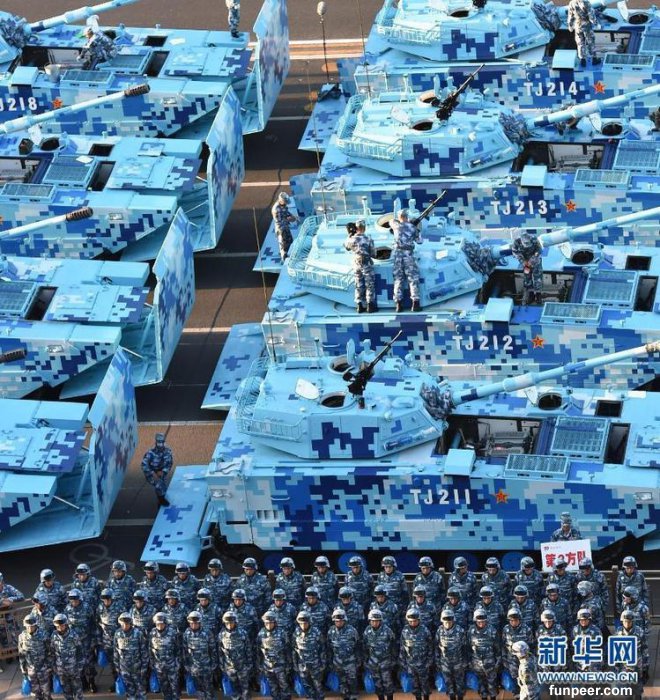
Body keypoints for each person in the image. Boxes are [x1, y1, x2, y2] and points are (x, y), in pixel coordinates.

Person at [390, 209, 422, 312]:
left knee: (398, 279)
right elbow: (420, 241)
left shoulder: (396, 226)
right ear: (407, 216)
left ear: (399, 217)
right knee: (412, 279)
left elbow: (391, 221)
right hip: (408, 255)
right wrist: (416, 227)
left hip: (398, 255)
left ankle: (398, 305)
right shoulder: (413, 228)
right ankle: (415, 304)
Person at [64, 589, 96, 693]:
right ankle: (83, 681)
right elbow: (65, 626)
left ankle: (91, 681)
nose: (74, 601)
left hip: (86, 640)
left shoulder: (87, 608)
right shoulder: (67, 609)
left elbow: (93, 623)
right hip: (74, 641)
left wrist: (94, 639)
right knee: (78, 661)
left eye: (75, 599)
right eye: (71, 599)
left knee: (89, 662)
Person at [218, 610, 253, 700]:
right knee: (234, 689)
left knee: (245, 688)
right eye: (227, 623)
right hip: (229, 667)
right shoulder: (221, 635)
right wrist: (222, 665)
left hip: (242, 666)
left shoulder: (243, 633)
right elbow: (220, 652)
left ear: (235, 622)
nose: (230, 625)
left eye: (232, 623)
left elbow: (248, 649)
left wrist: (249, 664)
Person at [344, 219, 378, 313]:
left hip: (356, 264)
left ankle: (359, 306)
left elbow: (346, 247)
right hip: (366, 263)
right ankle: (370, 306)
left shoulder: (351, 239)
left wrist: (349, 235)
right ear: (364, 228)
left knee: (358, 284)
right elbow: (374, 254)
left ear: (356, 227)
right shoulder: (368, 239)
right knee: (369, 285)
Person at [363, 609, 396, 700]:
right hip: (373, 663)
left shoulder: (387, 631)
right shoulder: (367, 631)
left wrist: (393, 660)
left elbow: (394, 646)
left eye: (377, 621)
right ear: (370, 621)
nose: (375, 623)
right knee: (377, 685)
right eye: (373, 621)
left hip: (386, 662)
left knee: (388, 684)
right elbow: (364, 647)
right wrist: (366, 661)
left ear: (380, 621)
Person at [399, 609, 432, 700]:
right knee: (415, 687)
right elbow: (402, 648)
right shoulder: (405, 631)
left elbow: (430, 647)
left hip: (423, 664)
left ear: (419, 620)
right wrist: (403, 663)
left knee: (425, 686)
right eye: (411, 621)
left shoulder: (425, 630)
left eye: (415, 621)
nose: (413, 623)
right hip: (411, 665)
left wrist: (428, 662)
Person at [114, 612, 148, 700]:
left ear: (130, 623)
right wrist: (117, 667)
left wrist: (144, 667)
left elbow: (144, 651)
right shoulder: (117, 634)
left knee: (141, 690)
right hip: (124, 668)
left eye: (127, 623)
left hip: (137, 668)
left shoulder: (138, 633)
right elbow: (116, 651)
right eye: (123, 623)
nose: (125, 625)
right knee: (130, 690)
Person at [327, 608, 360, 700]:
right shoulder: (331, 631)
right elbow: (329, 648)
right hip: (337, 663)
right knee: (342, 684)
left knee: (352, 682)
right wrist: (330, 662)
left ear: (344, 620)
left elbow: (358, 646)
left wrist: (358, 660)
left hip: (350, 662)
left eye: (341, 621)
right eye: (337, 621)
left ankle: (354, 697)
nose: (339, 622)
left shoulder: (352, 631)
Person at [293, 611, 326, 700]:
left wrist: (323, 663)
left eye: (305, 623)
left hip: (315, 665)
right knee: (307, 685)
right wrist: (295, 664)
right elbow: (294, 650)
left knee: (318, 685)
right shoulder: (296, 632)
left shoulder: (316, 632)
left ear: (309, 622)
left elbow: (322, 649)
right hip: (302, 665)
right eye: (301, 623)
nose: (303, 625)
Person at [434, 608, 467, 700]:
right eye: (445, 621)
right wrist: (437, 661)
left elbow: (465, 647)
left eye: (450, 620)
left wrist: (465, 662)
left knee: (459, 684)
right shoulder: (439, 631)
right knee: (449, 684)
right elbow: (436, 647)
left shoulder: (460, 630)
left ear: (453, 620)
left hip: (458, 663)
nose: (448, 623)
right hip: (445, 663)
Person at [468, 608, 500, 700]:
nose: (481, 623)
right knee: (482, 687)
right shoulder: (471, 631)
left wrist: (498, 663)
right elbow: (468, 647)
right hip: (477, 664)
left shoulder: (492, 630)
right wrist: (470, 662)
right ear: (475, 621)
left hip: (490, 664)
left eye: (483, 621)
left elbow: (497, 648)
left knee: (492, 686)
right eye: (479, 622)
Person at [258, 611, 291, 700]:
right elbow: (258, 650)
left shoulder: (282, 633)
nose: (269, 625)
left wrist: (288, 665)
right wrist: (260, 665)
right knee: (273, 686)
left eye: (271, 623)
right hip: (267, 666)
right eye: (267, 623)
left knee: (284, 685)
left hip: (281, 666)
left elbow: (287, 649)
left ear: (275, 622)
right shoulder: (261, 633)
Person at [182, 611, 215, 700]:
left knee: (209, 688)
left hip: (206, 667)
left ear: (200, 623)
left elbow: (213, 650)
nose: (193, 625)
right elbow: (184, 650)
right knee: (198, 690)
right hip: (194, 667)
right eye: (191, 623)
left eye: (196, 623)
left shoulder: (207, 633)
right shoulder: (187, 633)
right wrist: (186, 664)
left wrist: (213, 664)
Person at [50, 613, 84, 700]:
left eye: (62, 626)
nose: (60, 628)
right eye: (58, 626)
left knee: (78, 692)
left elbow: (80, 652)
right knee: (67, 692)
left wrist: (79, 667)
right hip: (61, 670)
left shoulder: (73, 635)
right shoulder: (54, 636)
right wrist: (54, 668)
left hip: (74, 669)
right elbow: (52, 653)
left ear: (66, 624)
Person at [18, 614, 52, 700]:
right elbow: (21, 654)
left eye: (32, 626)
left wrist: (49, 665)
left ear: (36, 625)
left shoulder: (43, 634)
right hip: (31, 668)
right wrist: (23, 668)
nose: (30, 628)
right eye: (28, 626)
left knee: (46, 690)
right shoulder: (22, 637)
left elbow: (50, 651)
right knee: (36, 691)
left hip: (43, 667)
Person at [149, 612, 181, 700]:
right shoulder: (152, 633)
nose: (159, 626)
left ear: (165, 623)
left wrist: (177, 664)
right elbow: (150, 649)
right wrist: (153, 664)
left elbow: (178, 649)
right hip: (159, 667)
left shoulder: (172, 633)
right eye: (157, 624)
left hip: (172, 666)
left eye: (161, 624)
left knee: (175, 688)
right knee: (164, 689)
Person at [141, 433, 173, 507]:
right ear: (156, 442)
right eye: (159, 442)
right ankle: (161, 501)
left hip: (162, 472)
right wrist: (153, 473)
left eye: (162, 442)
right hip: (152, 474)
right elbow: (144, 465)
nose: (160, 444)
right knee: (159, 486)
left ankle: (162, 493)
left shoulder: (168, 451)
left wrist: (163, 471)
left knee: (163, 486)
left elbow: (170, 463)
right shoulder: (150, 453)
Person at [511, 232, 543, 305]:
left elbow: (539, 250)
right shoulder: (517, 241)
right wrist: (523, 261)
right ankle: (531, 294)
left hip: (535, 261)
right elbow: (515, 252)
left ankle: (538, 294)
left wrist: (532, 260)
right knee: (527, 278)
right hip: (525, 262)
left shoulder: (534, 239)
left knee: (538, 278)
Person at [566, 0, 600, 67]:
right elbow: (591, 15)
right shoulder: (586, 2)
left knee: (580, 43)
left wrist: (570, 25)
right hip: (587, 25)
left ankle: (583, 61)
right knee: (591, 42)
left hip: (578, 26)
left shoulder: (572, 2)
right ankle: (594, 59)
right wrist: (596, 24)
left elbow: (570, 15)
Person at [271, 192, 297, 263]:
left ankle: (290, 255)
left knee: (290, 241)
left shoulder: (282, 205)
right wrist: (290, 219)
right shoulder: (276, 209)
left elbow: (286, 212)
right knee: (283, 245)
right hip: (281, 229)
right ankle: (284, 260)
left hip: (285, 227)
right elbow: (279, 221)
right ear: (282, 201)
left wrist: (292, 216)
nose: (286, 204)